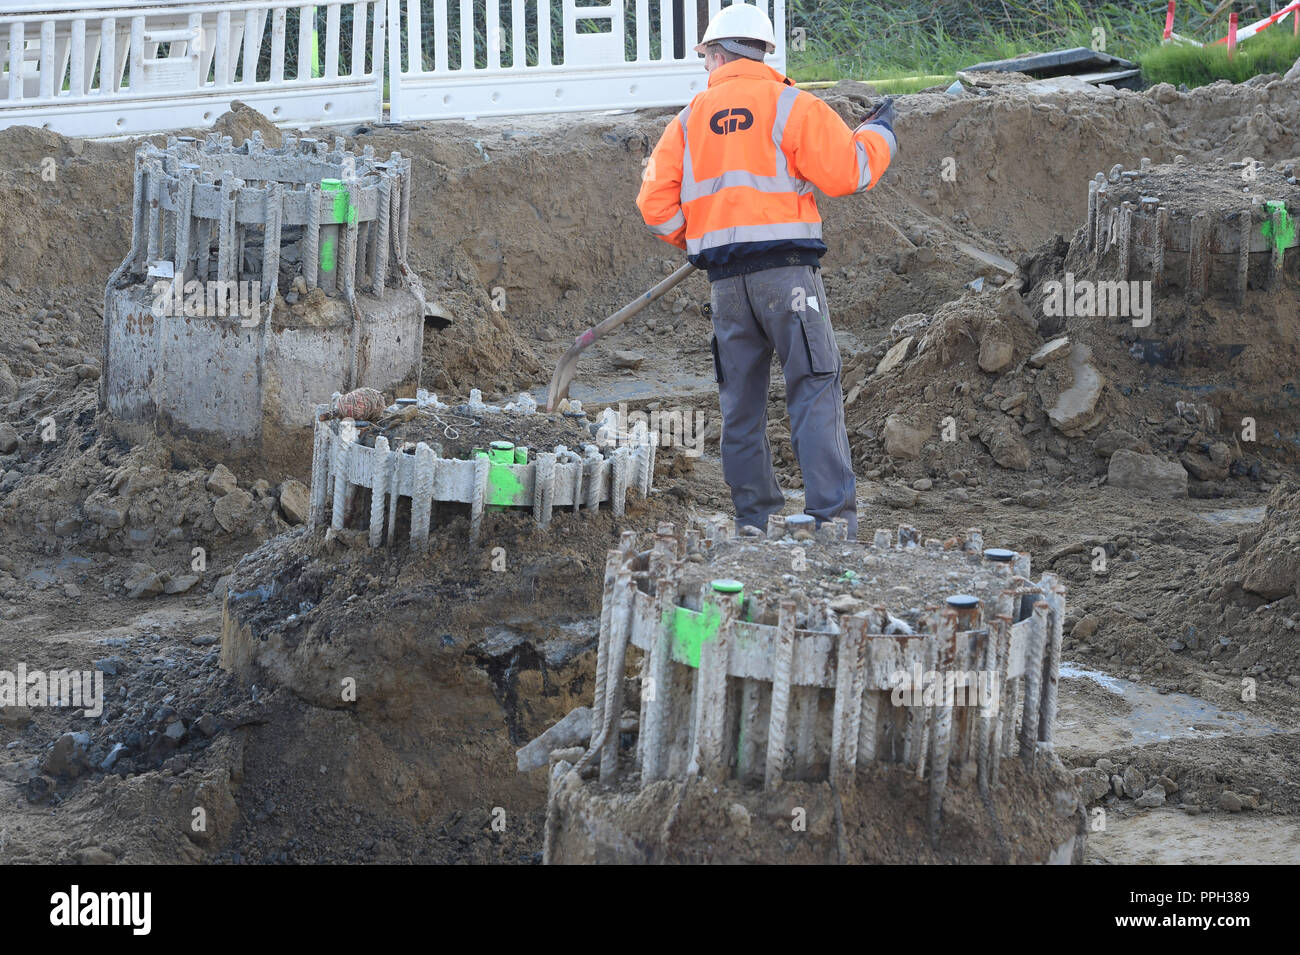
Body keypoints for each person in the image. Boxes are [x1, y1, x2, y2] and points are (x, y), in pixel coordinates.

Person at [636, 2, 897, 539]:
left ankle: (755, 521)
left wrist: (702, 236)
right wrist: (882, 135)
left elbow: (654, 208)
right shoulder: (792, 106)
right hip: (790, 280)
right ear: (764, 52)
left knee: (741, 407)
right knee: (814, 388)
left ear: (716, 53)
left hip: (726, 287)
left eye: (704, 55)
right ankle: (831, 522)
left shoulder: (686, 122)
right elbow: (851, 171)